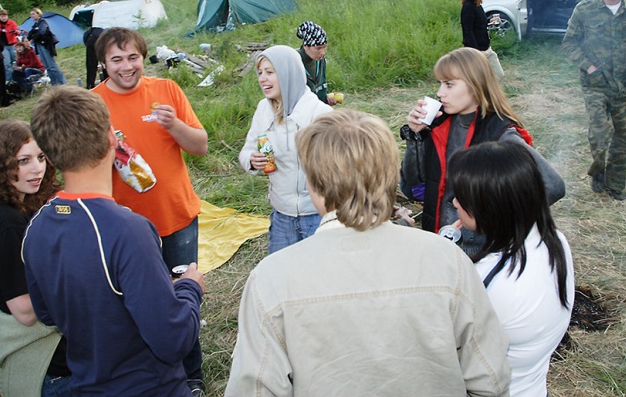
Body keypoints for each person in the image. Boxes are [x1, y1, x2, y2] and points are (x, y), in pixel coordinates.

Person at [226, 109, 511, 396]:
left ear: (313, 185)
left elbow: (255, 389)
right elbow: (490, 380)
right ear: (389, 175)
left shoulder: (271, 278)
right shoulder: (449, 260)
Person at [23, 86, 205, 395]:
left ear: (50, 155)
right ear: (111, 138)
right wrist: (190, 287)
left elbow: (47, 313)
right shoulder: (128, 230)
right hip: (148, 386)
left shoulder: (36, 228)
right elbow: (172, 339)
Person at [91, 27, 207, 393]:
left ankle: (192, 375)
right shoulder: (92, 105)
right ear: (103, 63)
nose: (126, 67)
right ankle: (149, 377)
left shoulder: (166, 91)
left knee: (180, 299)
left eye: (133, 58)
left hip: (177, 216)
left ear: (143, 58)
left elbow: (200, 146)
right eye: (116, 60)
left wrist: (173, 125)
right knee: (133, 306)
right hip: (125, 230)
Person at [400, 47, 565, 256]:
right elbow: (412, 186)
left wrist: (491, 218)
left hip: (480, 250)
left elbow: (552, 186)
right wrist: (415, 136)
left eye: (449, 84)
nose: (440, 93)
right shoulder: (438, 125)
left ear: (475, 83)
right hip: (439, 242)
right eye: (440, 84)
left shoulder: (500, 134)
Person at [449, 141, 575, 396]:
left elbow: (446, 352)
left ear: (489, 207)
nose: (454, 203)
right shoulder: (554, 242)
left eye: (461, 198)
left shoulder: (488, 283)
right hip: (532, 385)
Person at [0, 120, 70, 396]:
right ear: (0, 166)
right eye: (23, 161)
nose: (37, 168)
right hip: (49, 362)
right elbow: (25, 311)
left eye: (40, 157)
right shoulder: (6, 224)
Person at [239, 45, 332, 254]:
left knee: (318, 275)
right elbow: (247, 150)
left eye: (270, 72)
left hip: (317, 214)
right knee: (281, 277)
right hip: (282, 213)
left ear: (289, 73)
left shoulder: (320, 113)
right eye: (260, 73)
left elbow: (339, 167)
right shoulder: (264, 109)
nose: (263, 79)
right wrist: (252, 161)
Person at [562, 0, 626, 201]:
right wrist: (590, 67)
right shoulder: (585, 10)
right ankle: (598, 170)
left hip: (623, 87)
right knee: (600, 134)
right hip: (595, 85)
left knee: (624, 137)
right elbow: (569, 43)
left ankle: (616, 186)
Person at [461, 0, 505, 80]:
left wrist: (489, 22)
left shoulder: (477, 5)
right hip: (477, 51)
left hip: (487, 49)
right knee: (480, 80)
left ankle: (489, 94)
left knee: (498, 74)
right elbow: (468, 32)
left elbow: (478, 24)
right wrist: (476, 53)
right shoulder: (468, 7)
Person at [296, 21, 337, 105]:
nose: (322, 52)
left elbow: (321, 89)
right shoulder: (294, 62)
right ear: (306, 46)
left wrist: (327, 98)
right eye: (318, 48)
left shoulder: (321, 61)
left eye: (324, 47)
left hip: (319, 112)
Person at [26, 8, 66, 86]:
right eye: (31, 14)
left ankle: (62, 82)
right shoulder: (36, 24)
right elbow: (32, 32)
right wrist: (28, 38)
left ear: (38, 14)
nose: (32, 16)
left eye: (33, 14)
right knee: (47, 66)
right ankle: (54, 83)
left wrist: (32, 40)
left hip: (46, 45)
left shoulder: (43, 22)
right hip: (39, 45)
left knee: (52, 65)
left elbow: (41, 32)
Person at [0, 9, 20, 81]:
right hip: (3, 46)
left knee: (15, 61)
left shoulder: (11, 23)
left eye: (5, 16)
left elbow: (18, 31)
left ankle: (17, 78)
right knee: (7, 63)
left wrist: (15, 32)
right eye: (2, 16)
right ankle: (9, 80)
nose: (4, 18)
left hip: (12, 44)